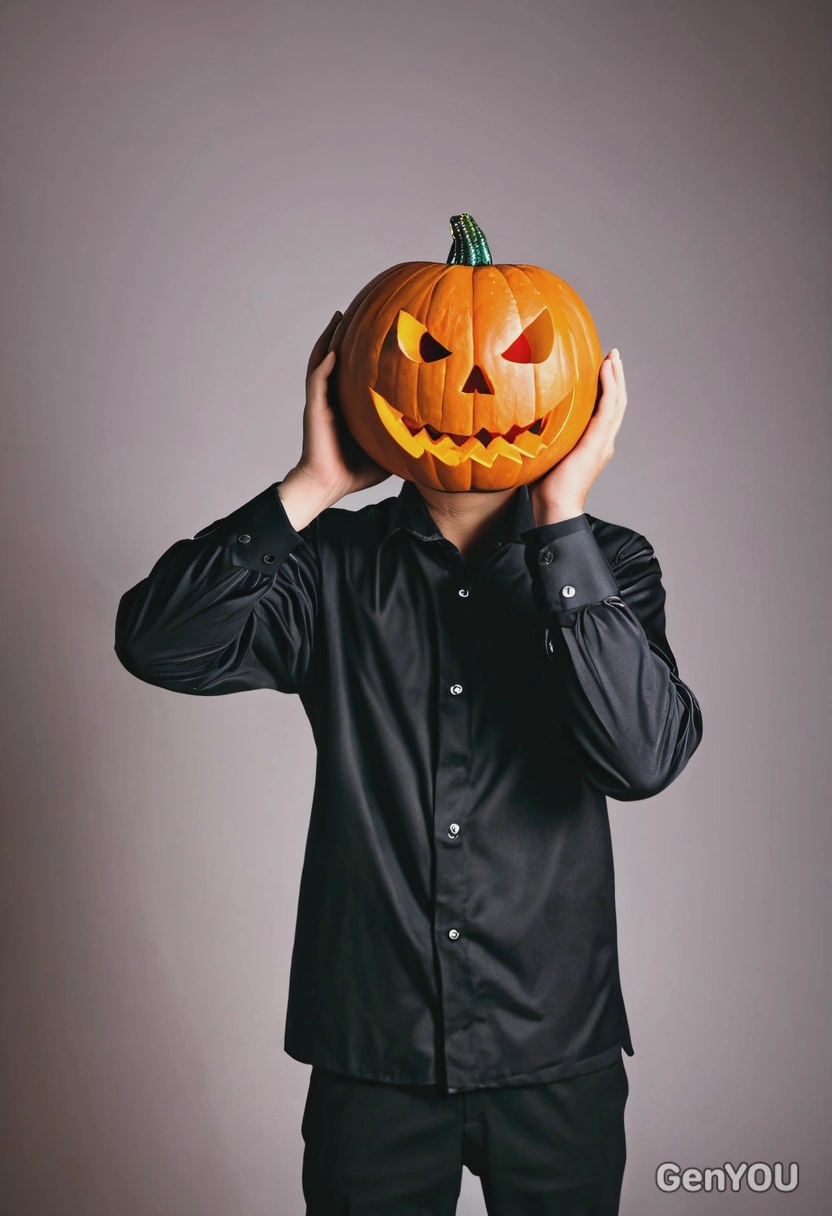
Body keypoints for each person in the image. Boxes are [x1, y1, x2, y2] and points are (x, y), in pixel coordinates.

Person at [115, 310, 703, 1215]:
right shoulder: (326, 570)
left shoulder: (611, 564)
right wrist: (309, 486)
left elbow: (642, 757)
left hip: (555, 1048)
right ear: (367, 387)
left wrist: (563, 521)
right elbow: (158, 643)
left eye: (513, 360)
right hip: (372, 1053)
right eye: (433, 356)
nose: (472, 387)